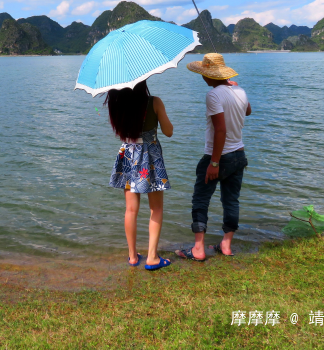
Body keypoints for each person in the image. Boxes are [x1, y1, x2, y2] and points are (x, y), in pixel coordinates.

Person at [176, 53, 252, 262]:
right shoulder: (239, 90)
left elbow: (220, 131)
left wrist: (214, 163)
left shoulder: (213, 96)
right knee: (231, 201)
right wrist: (235, 88)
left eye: (204, 73)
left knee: (201, 199)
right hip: (239, 155)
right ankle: (226, 245)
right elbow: (248, 111)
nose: (202, 78)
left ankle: (198, 249)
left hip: (218, 156)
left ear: (209, 76)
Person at [105, 80, 174, 271]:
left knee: (131, 210)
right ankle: (152, 257)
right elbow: (169, 132)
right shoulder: (154, 102)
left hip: (128, 155)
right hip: (151, 157)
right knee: (156, 209)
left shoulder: (118, 104)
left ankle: (133, 256)